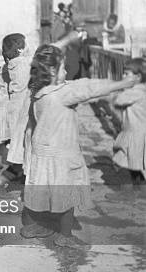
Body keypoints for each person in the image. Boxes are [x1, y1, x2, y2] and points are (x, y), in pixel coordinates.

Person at [21, 43, 136, 250]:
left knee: (38, 190)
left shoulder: (39, 90)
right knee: (68, 194)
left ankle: (30, 226)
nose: (67, 71)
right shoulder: (62, 94)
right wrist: (123, 83)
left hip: (42, 151)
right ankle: (65, 236)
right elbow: (90, 90)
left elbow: (82, 83)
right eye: (64, 68)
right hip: (61, 154)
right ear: (54, 71)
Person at [0, 33, 31, 198]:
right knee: (26, 151)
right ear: (20, 49)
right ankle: (6, 182)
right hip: (23, 112)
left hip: (14, 111)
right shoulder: (25, 64)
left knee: (20, 149)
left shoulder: (8, 66)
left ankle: (2, 177)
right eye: (26, 45)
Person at [105, 58, 146, 202]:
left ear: (138, 77)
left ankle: (129, 193)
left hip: (135, 134)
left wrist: (117, 89)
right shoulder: (141, 90)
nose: (123, 77)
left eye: (127, 73)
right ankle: (138, 189)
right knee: (133, 164)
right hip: (135, 132)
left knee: (126, 162)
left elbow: (117, 100)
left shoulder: (136, 91)